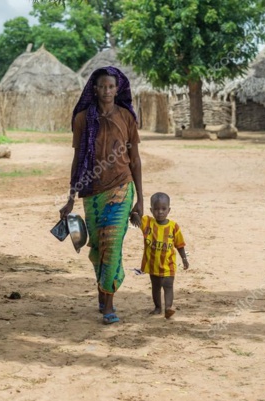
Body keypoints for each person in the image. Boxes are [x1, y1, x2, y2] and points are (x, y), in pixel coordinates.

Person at [59, 66, 143, 325]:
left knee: (112, 243)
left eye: (111, 86)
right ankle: (103, 289)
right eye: (102, 86)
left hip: (121, 187)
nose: (107, 91)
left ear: (117, 89)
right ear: (94, 89)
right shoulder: (83, 118)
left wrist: (141, 198)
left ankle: (108, 304)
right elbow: (77, 158)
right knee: (98, 246)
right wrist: (71, 196)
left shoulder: (127, 117)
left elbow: (136, 160)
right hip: (92, 191)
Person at [139, 192, 189, 319]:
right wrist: (135, 212)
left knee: (168, 286)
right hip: (153, 265)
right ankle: (157, 307)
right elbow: (135, 216)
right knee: (155, 287)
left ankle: (168, 308)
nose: (160, 212)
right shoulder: (147, 223)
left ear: (169, 210)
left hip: (168, 264)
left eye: (163, 209)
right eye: (156, 209)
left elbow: (180, 244)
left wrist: (184, 258)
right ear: (151, 210)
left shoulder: (173, 227)